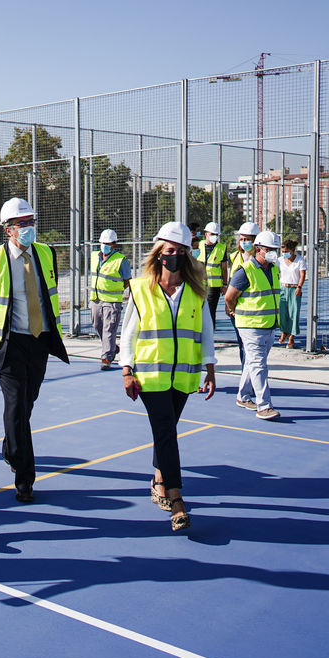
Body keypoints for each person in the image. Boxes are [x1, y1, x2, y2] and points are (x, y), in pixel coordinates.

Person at [120, 222, 216, 531]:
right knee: (166, 432)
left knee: (167, 430)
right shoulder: (139, 288)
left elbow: (206, 333)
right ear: (158, 252)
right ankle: (177, 500)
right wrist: (126, 370)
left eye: (180, 251)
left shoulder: (197, 292)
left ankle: (159, 478)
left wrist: (211, 368)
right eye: (169, 250)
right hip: (149, 377)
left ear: (188, 255)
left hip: (184, 377)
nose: (174, 255)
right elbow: (129, 333)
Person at [0, 197, 70, 504]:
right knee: (16, 408)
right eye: (21, 223)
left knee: (28, 403)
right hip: (9, 344)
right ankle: (24, 477)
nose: (28, 228)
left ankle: (11, 446)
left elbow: (46, 293)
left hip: (39, 341)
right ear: (7, 229)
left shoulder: (46, 253)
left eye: (31, 221)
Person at [224, 230, 282, 421]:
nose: (274, 252)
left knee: (252, 362)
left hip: (268, 325)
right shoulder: (245, 270)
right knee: (259, 365)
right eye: (270, 249)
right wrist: (232, 310)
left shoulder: (273, 269)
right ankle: (264, 406)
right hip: (250, 326)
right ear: (260, 249)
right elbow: (229, 296)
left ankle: (243, 396)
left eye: (275, 249)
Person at [90, 228, 131, 370]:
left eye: (108, 243)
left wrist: (117, 290)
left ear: (114, 244)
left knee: (109, 328)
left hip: (112, 301)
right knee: (97, 326)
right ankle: (112, 347)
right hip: (96, 299)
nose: (105, 245)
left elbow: (127, 280)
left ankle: (106, 358)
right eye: (103, 243)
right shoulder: (94, 256)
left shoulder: (121, 260)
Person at [227, 222, 260, 365]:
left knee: (252, 347)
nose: (244, 242)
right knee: (242, 344)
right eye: (242, 239)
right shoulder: (234, 257)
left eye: (247, 239)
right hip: (236, 309)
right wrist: (229, 307)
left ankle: (251, 377)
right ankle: (245, 375)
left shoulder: (260, 259)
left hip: (252, 309)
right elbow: (230, 283)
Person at [197, 222, 229, 322]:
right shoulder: (198, 245)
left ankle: (210, 334)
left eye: (216, 235)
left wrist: (224, 284)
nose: (214, 237)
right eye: (212, 234)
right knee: (197, 310)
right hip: (198, 283)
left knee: (211, 312)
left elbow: (224, 268)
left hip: (214, 286)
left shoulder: (221, 248)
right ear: (206, 234)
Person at [277, 239, 305, 349]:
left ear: (292, 250)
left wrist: (299, 287)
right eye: (283, 251)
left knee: (294, 313)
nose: (285, 253)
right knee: (283, 312)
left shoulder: (300, 260)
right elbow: (276, 272)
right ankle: (284, 332)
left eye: (287, 251)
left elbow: (302, 275)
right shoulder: (279, 260)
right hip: (283, 288)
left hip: (294, 289)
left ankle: (291, 338)